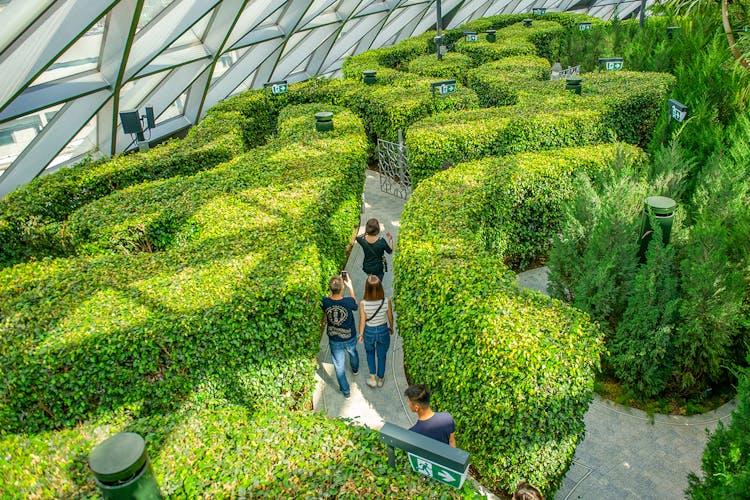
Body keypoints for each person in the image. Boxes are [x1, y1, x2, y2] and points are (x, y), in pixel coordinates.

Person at [321, 274, 359, 399]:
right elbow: (355, 305)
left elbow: (326, 306)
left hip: (334, 338)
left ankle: (346, 390)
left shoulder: (325, 301)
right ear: (343, 288)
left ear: (330, 288)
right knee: (353, 352)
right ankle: (355, 368)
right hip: (349, 336)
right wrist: (351, 287)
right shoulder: (347, 301)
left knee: (339, 365)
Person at [358, 275, 394, 388]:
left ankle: (372, 379)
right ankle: (380, 379)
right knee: (381, 355)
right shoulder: (386, 301)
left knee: (370, 353)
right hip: (383, 330)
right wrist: (391, 327)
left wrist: (360, 334)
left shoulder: (363, 303)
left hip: (369, 331)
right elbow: (390, 316)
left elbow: (362, 321)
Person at [356, 218, 393, 282]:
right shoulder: (381, 241)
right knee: (378, 284)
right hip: (378, 268)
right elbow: (390, 251)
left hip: (367, 267)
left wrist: (366, 233)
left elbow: (357, 237)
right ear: (377, 229)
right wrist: (390, 239)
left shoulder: (362, 240)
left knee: (371, 281)